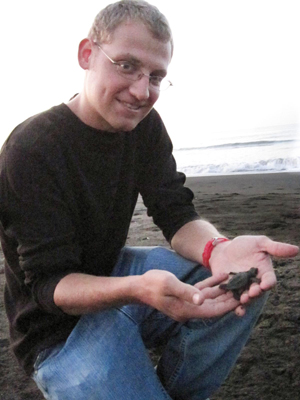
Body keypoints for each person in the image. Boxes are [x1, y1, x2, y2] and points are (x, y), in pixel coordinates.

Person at [0, 1, 298, 399]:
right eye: (126, 66)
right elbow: (49, 286)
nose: (143, 92)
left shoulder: (143, 126)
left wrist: (218, 249)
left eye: (156, 76)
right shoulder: (32, 150)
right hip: (54, 330)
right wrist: (138, 289)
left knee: (242, 282)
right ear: (87, 55)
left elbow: (176, 212)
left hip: (116, 271)